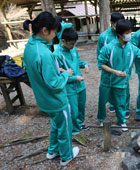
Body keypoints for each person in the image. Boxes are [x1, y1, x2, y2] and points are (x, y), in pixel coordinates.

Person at [23, 11, 79, 166]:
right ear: (45, 30)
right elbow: (55, 84)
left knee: (56, 124)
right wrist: (66, 74)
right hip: (56, 100)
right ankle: (66, 155)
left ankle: (52, 150)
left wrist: (55, 70)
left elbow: (38, 70)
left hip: (44, 99)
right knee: (65, 128)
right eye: (54, 32)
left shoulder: (30, 46)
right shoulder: (45, 53)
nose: (55, 36)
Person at [54, 28, 89, 135]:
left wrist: (85, 64)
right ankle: (74, 130)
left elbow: (77, 61)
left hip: (80, 85)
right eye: (71, 44)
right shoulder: (57, 54)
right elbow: (59, 75)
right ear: (63, 41)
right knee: (73, 110)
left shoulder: (73, 49)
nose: (73, 46)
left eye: (74, 44)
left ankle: (79, 124)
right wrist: (74, 78)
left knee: (81, 107)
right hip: (70, 88)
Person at [96, 12, 125, 113]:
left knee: (123, 88)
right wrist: (101, 66)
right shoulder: (104, 36)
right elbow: (99, 52)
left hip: (121, 66)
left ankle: (123, 107)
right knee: (109, 85)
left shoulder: (124, 35)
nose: (118, 26)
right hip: (108, 67)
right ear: (111, 23)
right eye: (116, 23)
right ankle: (112, 103)